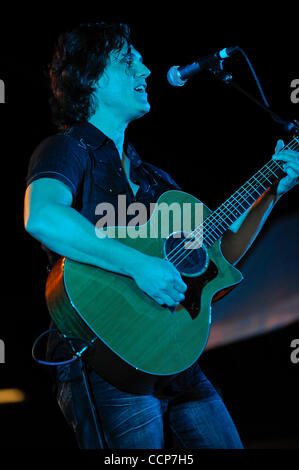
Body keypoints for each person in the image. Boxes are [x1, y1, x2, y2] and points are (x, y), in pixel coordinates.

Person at [24, 22, 299, 449]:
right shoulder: (67, 150)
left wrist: (270, 194)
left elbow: (219, 254)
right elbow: (42, 217)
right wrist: (140, 265)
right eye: (128, 60)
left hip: (174, 355)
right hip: (107, 358)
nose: (147, 69)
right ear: (91, 78)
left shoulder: (154, 180)